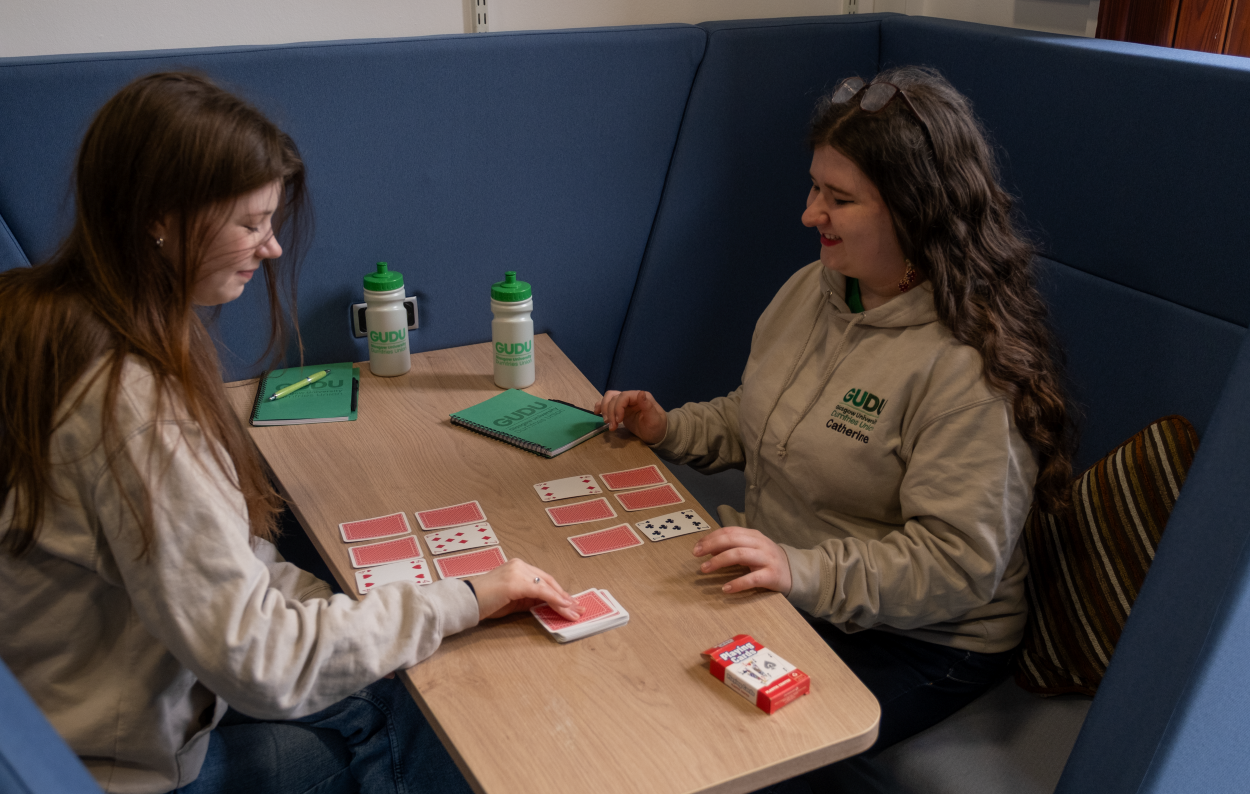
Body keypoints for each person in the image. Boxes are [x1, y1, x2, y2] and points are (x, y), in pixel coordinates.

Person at [0, 71, 582, 794]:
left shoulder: (49, 314)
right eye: (250, 222)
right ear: (158, 217)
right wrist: (466, 597)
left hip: (80, 704)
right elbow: (262, 664)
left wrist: (392, 603)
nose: (271, 248)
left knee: (395, 666)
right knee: (437, 720)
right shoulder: (135, 405)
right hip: (120, 763)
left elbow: (225, 564)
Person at [596, 66, 1072, 775]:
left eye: (839, 198)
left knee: (725, 754)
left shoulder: (966, 364)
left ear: (915, 210)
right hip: (804, 587)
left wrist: (798, 569)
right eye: (815, 186)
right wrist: (670, 430)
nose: (809, 213)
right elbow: (760, 416)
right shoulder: (813, 288)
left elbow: (957, 565)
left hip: (930, 640)